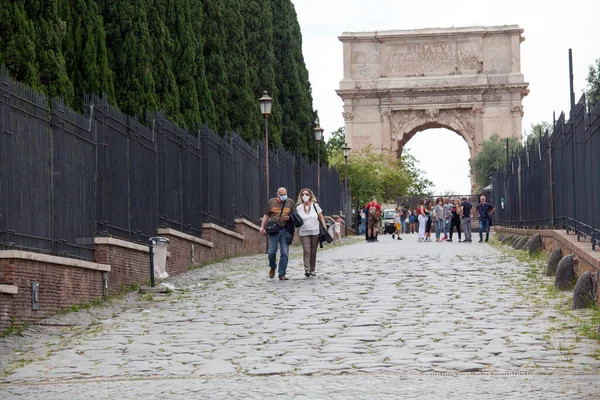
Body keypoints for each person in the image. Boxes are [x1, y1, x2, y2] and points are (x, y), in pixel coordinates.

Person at [260, 187, 297, 280]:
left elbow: (294, 216)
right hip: (274, 230)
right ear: (278, 195)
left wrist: (289, 218)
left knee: (284, 253)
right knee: (271, 252)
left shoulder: (290, 202)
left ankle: (282, 274)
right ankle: (273, 267)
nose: (284, 196)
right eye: (282, 195)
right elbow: (266, 215)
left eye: (285, 194)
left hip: (285, 230)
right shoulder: (271, 202)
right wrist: (262, 227)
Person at [295, 188, 328, 277]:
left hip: (315, 232)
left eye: (306, 194)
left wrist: (325, 229)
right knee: (307, 251)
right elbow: (297, 219)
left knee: (313, 251)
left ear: (310, 196)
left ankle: (312, 269)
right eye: (303, 194)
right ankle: (307, 269)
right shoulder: (299, 208)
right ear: (300, 196)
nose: (304, 196)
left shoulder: (315, 206)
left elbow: (321, 217)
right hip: (304, 232)